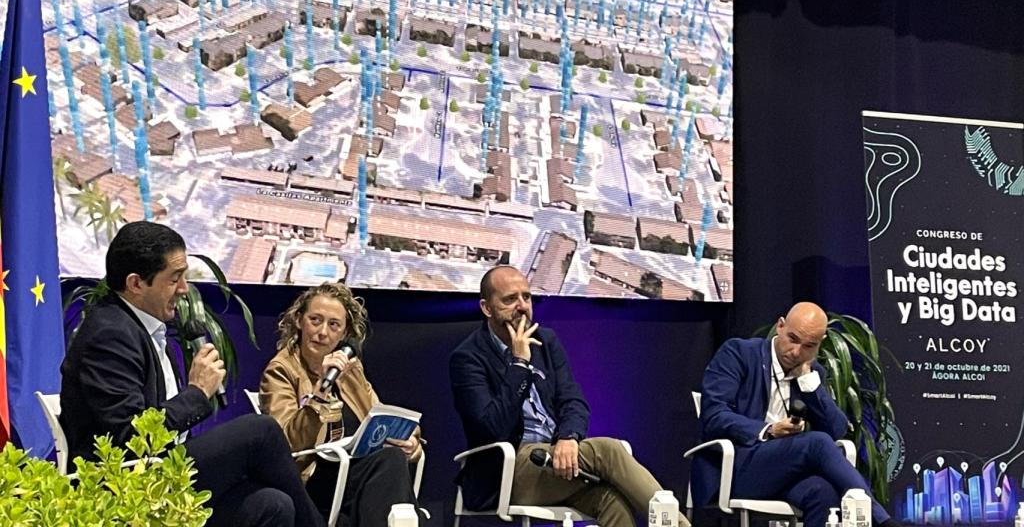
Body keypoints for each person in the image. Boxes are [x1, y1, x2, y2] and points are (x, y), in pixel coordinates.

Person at [60, 221, 324, 527]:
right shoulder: (109, 335)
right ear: (136, 283)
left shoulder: (140, 328)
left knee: (272, 505)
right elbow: (131, 437)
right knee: (260, 432)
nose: (185, 289)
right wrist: (197, 393)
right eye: (174, 279)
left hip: (158, 470)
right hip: (126, 487)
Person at [449, 266, 688, 527]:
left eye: (527, 297)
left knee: (612, 501)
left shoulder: (546, 341)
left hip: (552, 460)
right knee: (608, 450)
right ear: (486, 308)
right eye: (510, 299)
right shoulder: (468, 358)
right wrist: (519, 365)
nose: (522, 306)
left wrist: (568, 437)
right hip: (506, 468)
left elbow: (573, 400)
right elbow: (491, 428)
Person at [692, 302, 900, 527]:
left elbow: (837, 430)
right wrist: (769, 430)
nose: (796, 352)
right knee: (817, 442)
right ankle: (883, 521)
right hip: (734, 469)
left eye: (809, 346)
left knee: (824, 494)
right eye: (793, 339)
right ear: (780, 326)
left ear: (819, 346)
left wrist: (809, 384)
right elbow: (714, 416)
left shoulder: (810, 373)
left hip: (780, 472)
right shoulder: (739, 353)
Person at [259, 282, 421, 526]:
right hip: (311, 480)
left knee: (392, 457)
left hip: (355, 476)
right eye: (315, 320)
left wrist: (411, 442)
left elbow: (379, 416)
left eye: (333, 325)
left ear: (344, 335)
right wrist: (322, 388)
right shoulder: (281, 370)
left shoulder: (351, 368)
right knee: (388, 463)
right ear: (300, 321)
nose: (322, 332)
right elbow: (285, 443)